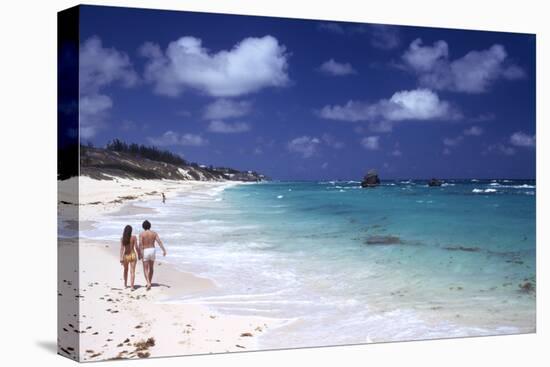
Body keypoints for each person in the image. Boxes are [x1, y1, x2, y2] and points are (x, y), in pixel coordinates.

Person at [139, 220, 167, 290]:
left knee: (145, 268)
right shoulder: (154, 233)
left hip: (145, 250)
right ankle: (149, 282)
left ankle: (148, 282)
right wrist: (164, 250)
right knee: (151, 267)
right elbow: (159, 242)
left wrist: (140, 253)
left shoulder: (142, 234)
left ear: (143, 227)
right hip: (152, 250)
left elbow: (140, 244)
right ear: (150, 226)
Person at [119, 225, 139, 290]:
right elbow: (136, 247)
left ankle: (125, 284)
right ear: (131, 231)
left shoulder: (122, 238)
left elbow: (122, 249)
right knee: (132, 271)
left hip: (126, 255)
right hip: (133, 254)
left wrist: (121, 257)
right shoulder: (134, 237)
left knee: (125, 270)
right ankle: (132, 286)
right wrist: (139, 254)